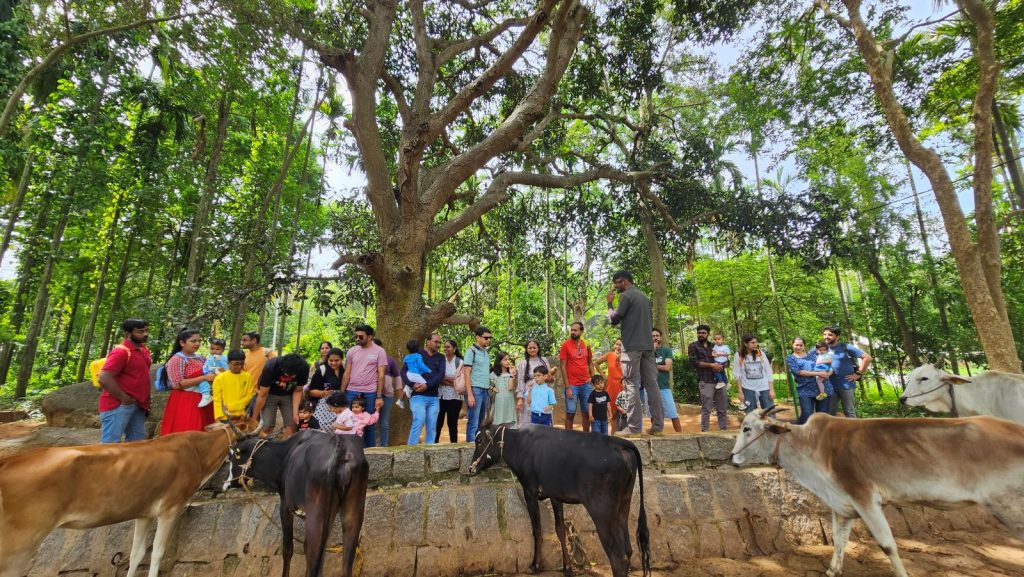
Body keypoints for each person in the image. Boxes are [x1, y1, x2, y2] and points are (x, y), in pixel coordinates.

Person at [606, 270, 663, 435]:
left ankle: (634, 428)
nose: (615, 286)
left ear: (623, 282)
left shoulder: (626, 296)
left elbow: (614, 320)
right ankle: (658, 427)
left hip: (631, 347)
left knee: (631, 385)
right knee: (652, 385)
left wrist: (609, 304)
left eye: (617, 283)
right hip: (648, 347)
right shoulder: (644, 297)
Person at [97, 318, 153, 443]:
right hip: (118, 405)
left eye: (146, 330)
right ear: (128, 333)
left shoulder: (144, 350)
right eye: (140, 331)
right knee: (110, 445)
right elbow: (104, 377)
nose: (145, 334)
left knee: (137, 444)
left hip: (138, 405)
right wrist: (124, 398)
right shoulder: (121, 352)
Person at [160, 329, 216, 435]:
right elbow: (177, 384)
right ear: (182, 343)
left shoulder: (200, 358)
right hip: (185, 401)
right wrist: (204, 378)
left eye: (199, 341)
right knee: (188, 431)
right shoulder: (177, 359)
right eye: (193, 341)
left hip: (202, 398)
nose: (197, 344)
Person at [339, 324, 387, 446]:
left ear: (370, 337)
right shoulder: (352, 351)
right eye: (356, 336)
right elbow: (347, 372)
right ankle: (349, 449)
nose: (357, 339)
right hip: (351, 390)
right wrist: (342, 392)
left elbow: (381, 375)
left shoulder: (379, 351)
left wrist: (379, 396)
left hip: (370, 392)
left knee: (370, 423)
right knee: (349, 420)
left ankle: (370, 451)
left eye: (360, 336)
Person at [251, 353, 310, 436]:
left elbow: (298, 391)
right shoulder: (271, 366)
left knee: (292, 424)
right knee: (267, 425)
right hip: (269, 394)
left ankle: (288, 443)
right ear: (282, 369)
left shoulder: (304, 368)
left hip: (289, 394)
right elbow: (262, 395)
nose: (293, 377)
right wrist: (253, 420)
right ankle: (265, 443)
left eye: (294, 375)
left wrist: (295, 412)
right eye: (289, 375)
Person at [822, 325, 872, 418]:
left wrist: (858, 373)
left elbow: (867, 358)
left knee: (849, 412)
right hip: (829, 386)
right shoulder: (822, 348)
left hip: (846, 384)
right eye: (824, 334)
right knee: (829, 413)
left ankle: (854, 428)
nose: (826, 337)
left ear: (837, 337)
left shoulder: (846, 347)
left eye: (830, 335)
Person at [405, 333, 444, 445]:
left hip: (434, 397)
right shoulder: (416, 354)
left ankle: (429, 451)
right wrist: (412, 384)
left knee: (432, 426)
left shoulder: (441, 357)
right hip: (418, 395)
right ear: (428, 342)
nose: (438, 344)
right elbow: (404, 372)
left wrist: (427, 385)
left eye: (439, 342)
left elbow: (441, 374)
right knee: (419, 421)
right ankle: (411, 451)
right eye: (436, 342)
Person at [689, 325, 728, 432]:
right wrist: (711, 365)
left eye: (703, 333)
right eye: (699, 333)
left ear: (708, 334)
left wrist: (721, 366)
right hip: (705, 380)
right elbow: (694, 362)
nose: (701, 334)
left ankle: (724, 431)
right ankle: (705, 432)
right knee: (706, 408)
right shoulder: (693, 346)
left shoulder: (714, 345)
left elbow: (726, 359)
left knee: (722, 408)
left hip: (720, 380)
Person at [559, 321, 596, 432]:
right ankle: (568, 438)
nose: (573, 332)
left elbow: (590, 362)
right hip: (572, 385)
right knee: (570, 413)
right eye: (571, 330)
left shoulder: (587, 345)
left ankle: (585, 438)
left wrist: (593, 378)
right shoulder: (565, 345)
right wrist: (567, 387)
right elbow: (563, 367)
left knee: (587, 413)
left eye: (575, 330)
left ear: (581, 331)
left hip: (586, 384)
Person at [786, 337, 833, 424]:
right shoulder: (791, 358)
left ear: (804, 345)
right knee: (807, 416)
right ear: (792, 345)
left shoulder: (813, 355)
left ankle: (820, 433)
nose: (799, 347)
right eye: (796, 345)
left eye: (801, 345)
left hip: (823, 389)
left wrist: (830, 372)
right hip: (805, 390)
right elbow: (798, 372)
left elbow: (828, 363)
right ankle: (801, 431)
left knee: (822, 417)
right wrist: (818, 373)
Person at [464, 326, 493, 441]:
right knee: (473, 422)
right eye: (486, 338)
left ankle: (478, 447)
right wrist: (470, 394)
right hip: (475, 390)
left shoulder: (486, 353)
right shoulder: (471, 351)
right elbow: (467, 373)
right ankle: (470, 448)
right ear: (478, 337)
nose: (488, 340)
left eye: (490, 338)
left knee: (482, 422)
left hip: (485, 391)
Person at [516, 340, 553, 428]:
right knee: (529, 415)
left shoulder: (544, 360)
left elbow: (549, 376)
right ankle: (528, 435)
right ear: (526, 349)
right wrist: (520, 398)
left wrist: (551, 379)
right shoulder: (523, 362)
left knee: (544, 414)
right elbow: (521, 380)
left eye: (534, 347)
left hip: (543, 391)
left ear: (538, 348)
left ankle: (545, 434)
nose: (532, 350)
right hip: (529, 392)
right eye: (530, 348)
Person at [306, 347, 345, 431]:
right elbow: (311, 391)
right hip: (324, 407)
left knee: (338, 429)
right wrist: (323, 393)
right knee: (321, 428)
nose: (333, 363)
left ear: (342, 359)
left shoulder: (345, 369)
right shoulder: (322, 369)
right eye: (331, 360)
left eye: (337, 360)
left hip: (340, 406)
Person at [734, 334, 775, 414]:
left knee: (770, 413)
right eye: (752, 343)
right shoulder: (738, 355)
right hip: (748, 388)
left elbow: (768, 371)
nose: (755, 344)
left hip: (764, 388)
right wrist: (740, 392)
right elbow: (737, 375)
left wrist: (771, 389)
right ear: (745, 344)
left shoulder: (761, 354)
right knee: (750, 414)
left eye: (756, 342)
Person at [212, 349, 255, 422]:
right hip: (225, 416)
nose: (239, 366)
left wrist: (233, 406)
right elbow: (217, 399)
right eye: (236, 364)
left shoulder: (248, 376)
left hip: (242, 415)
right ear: (228, 363)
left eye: (242, 364)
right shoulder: (220, 378)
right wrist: (217, 418)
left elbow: (250, 395)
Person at [653, 329, 682, 433]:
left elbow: (667, 367)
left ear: (660, 337)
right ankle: (655, 434)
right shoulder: (646, 352)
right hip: (650, 388)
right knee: (653, 414)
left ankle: (680, 436)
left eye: (657, 336)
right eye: (653, 336)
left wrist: (652, 366)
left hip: (664, 387)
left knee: (673, 413)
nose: (655, 338)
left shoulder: (666, 351)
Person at [435, 338, 464, 443]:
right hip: (440, 396)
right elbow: (437, 377)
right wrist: (452, 381)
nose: (445, 349)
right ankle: (434, 445)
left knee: (452, 423)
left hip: (455, 397)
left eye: (448, 347)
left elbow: (461, 381)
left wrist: (444, 378)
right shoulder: (440, 360)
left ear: (454, 349)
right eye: (445, 347)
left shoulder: (460, 362)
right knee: (437, 423)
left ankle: (454, 446)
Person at [375, 338, 401, 447]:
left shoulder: (390, 360)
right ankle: (372, 444)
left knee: (384, 422)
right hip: (371, 394)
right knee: (370, 420)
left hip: (387, 395)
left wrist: (400, 392)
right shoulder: (369, 360)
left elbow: (397, 376)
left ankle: (383, 445)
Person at [594, 339, 624, 433]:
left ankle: (621, 433)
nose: (618, 347)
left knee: (622, 411)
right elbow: (596, 363)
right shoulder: (609, 355)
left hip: (622, 385)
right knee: (612, 412)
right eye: (617, 344)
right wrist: (603, 376)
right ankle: (612, 435)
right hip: (611, 385)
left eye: (620, 345)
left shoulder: (626, 356)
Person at [490, 351, 518, 425]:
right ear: (499, 362)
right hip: (499, 400)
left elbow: (510, 388)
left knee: (510, 420)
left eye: (508, 359)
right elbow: (486, 383)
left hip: (510, 399)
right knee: (499, 419)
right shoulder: (494, 374)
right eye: (505, 360)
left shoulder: (511, 373)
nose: (508, 361)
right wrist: (492, 388)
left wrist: (511, 375)